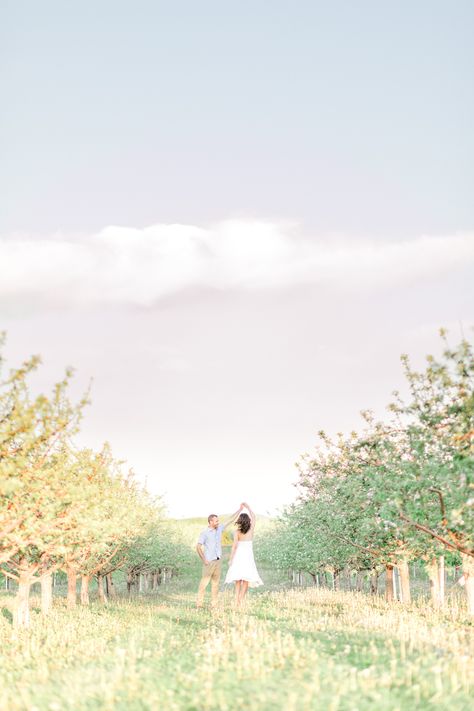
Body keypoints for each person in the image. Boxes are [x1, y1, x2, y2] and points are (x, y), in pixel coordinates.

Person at [196, 506, 242, 608]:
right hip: (209, 561)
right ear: (210, 522)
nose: (218, 522)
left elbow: (230, 520)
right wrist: (204, 560)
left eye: (218, 521)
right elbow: (198, 547)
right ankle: (199, 604)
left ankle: (214, 605)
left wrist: (239, 510)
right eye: (216, 521)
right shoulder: (205, 533)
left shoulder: (219, 529)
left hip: (218, 561)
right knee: (204, 584)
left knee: (215, 584)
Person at [225, 501, 263, 605]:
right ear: (248, 521)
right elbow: (254, 517)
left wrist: (231, 559)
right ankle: (240, 600)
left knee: (238, 579)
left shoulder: (237, 532)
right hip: (248, 557)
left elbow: (234, 546)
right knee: (246, 579)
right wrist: (248, 507)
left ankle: (237, 600)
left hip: (238, 556)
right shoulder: (251, 529)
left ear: (240, 521)